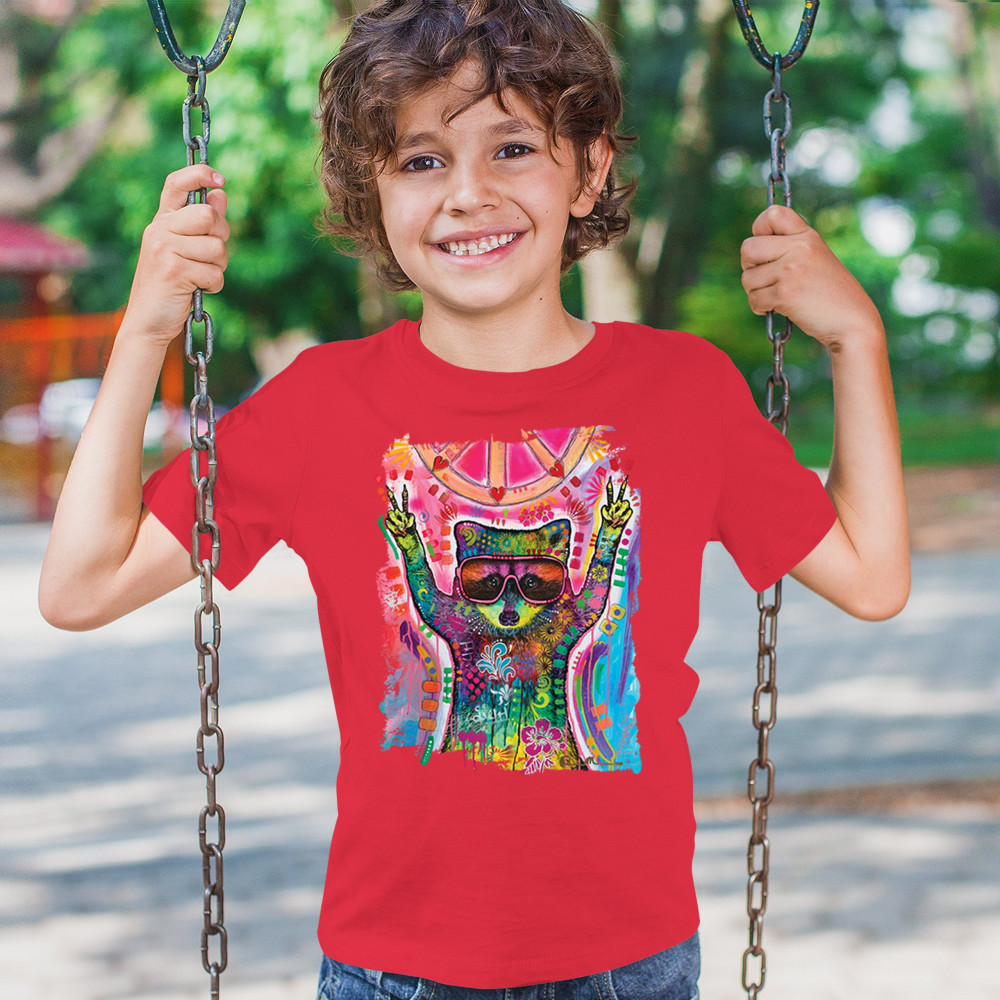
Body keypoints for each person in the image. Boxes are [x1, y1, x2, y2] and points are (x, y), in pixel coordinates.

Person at [38, 1, 910, 998]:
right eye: (421, 160)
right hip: (394, 966)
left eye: (511, 149)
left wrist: (857, 340)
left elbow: (871, 577)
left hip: (629, 963)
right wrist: (144, 330)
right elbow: (80, 586)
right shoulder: (320, 404)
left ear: (588, 171)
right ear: (373, 191)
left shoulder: (684, 390)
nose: (467, 194)